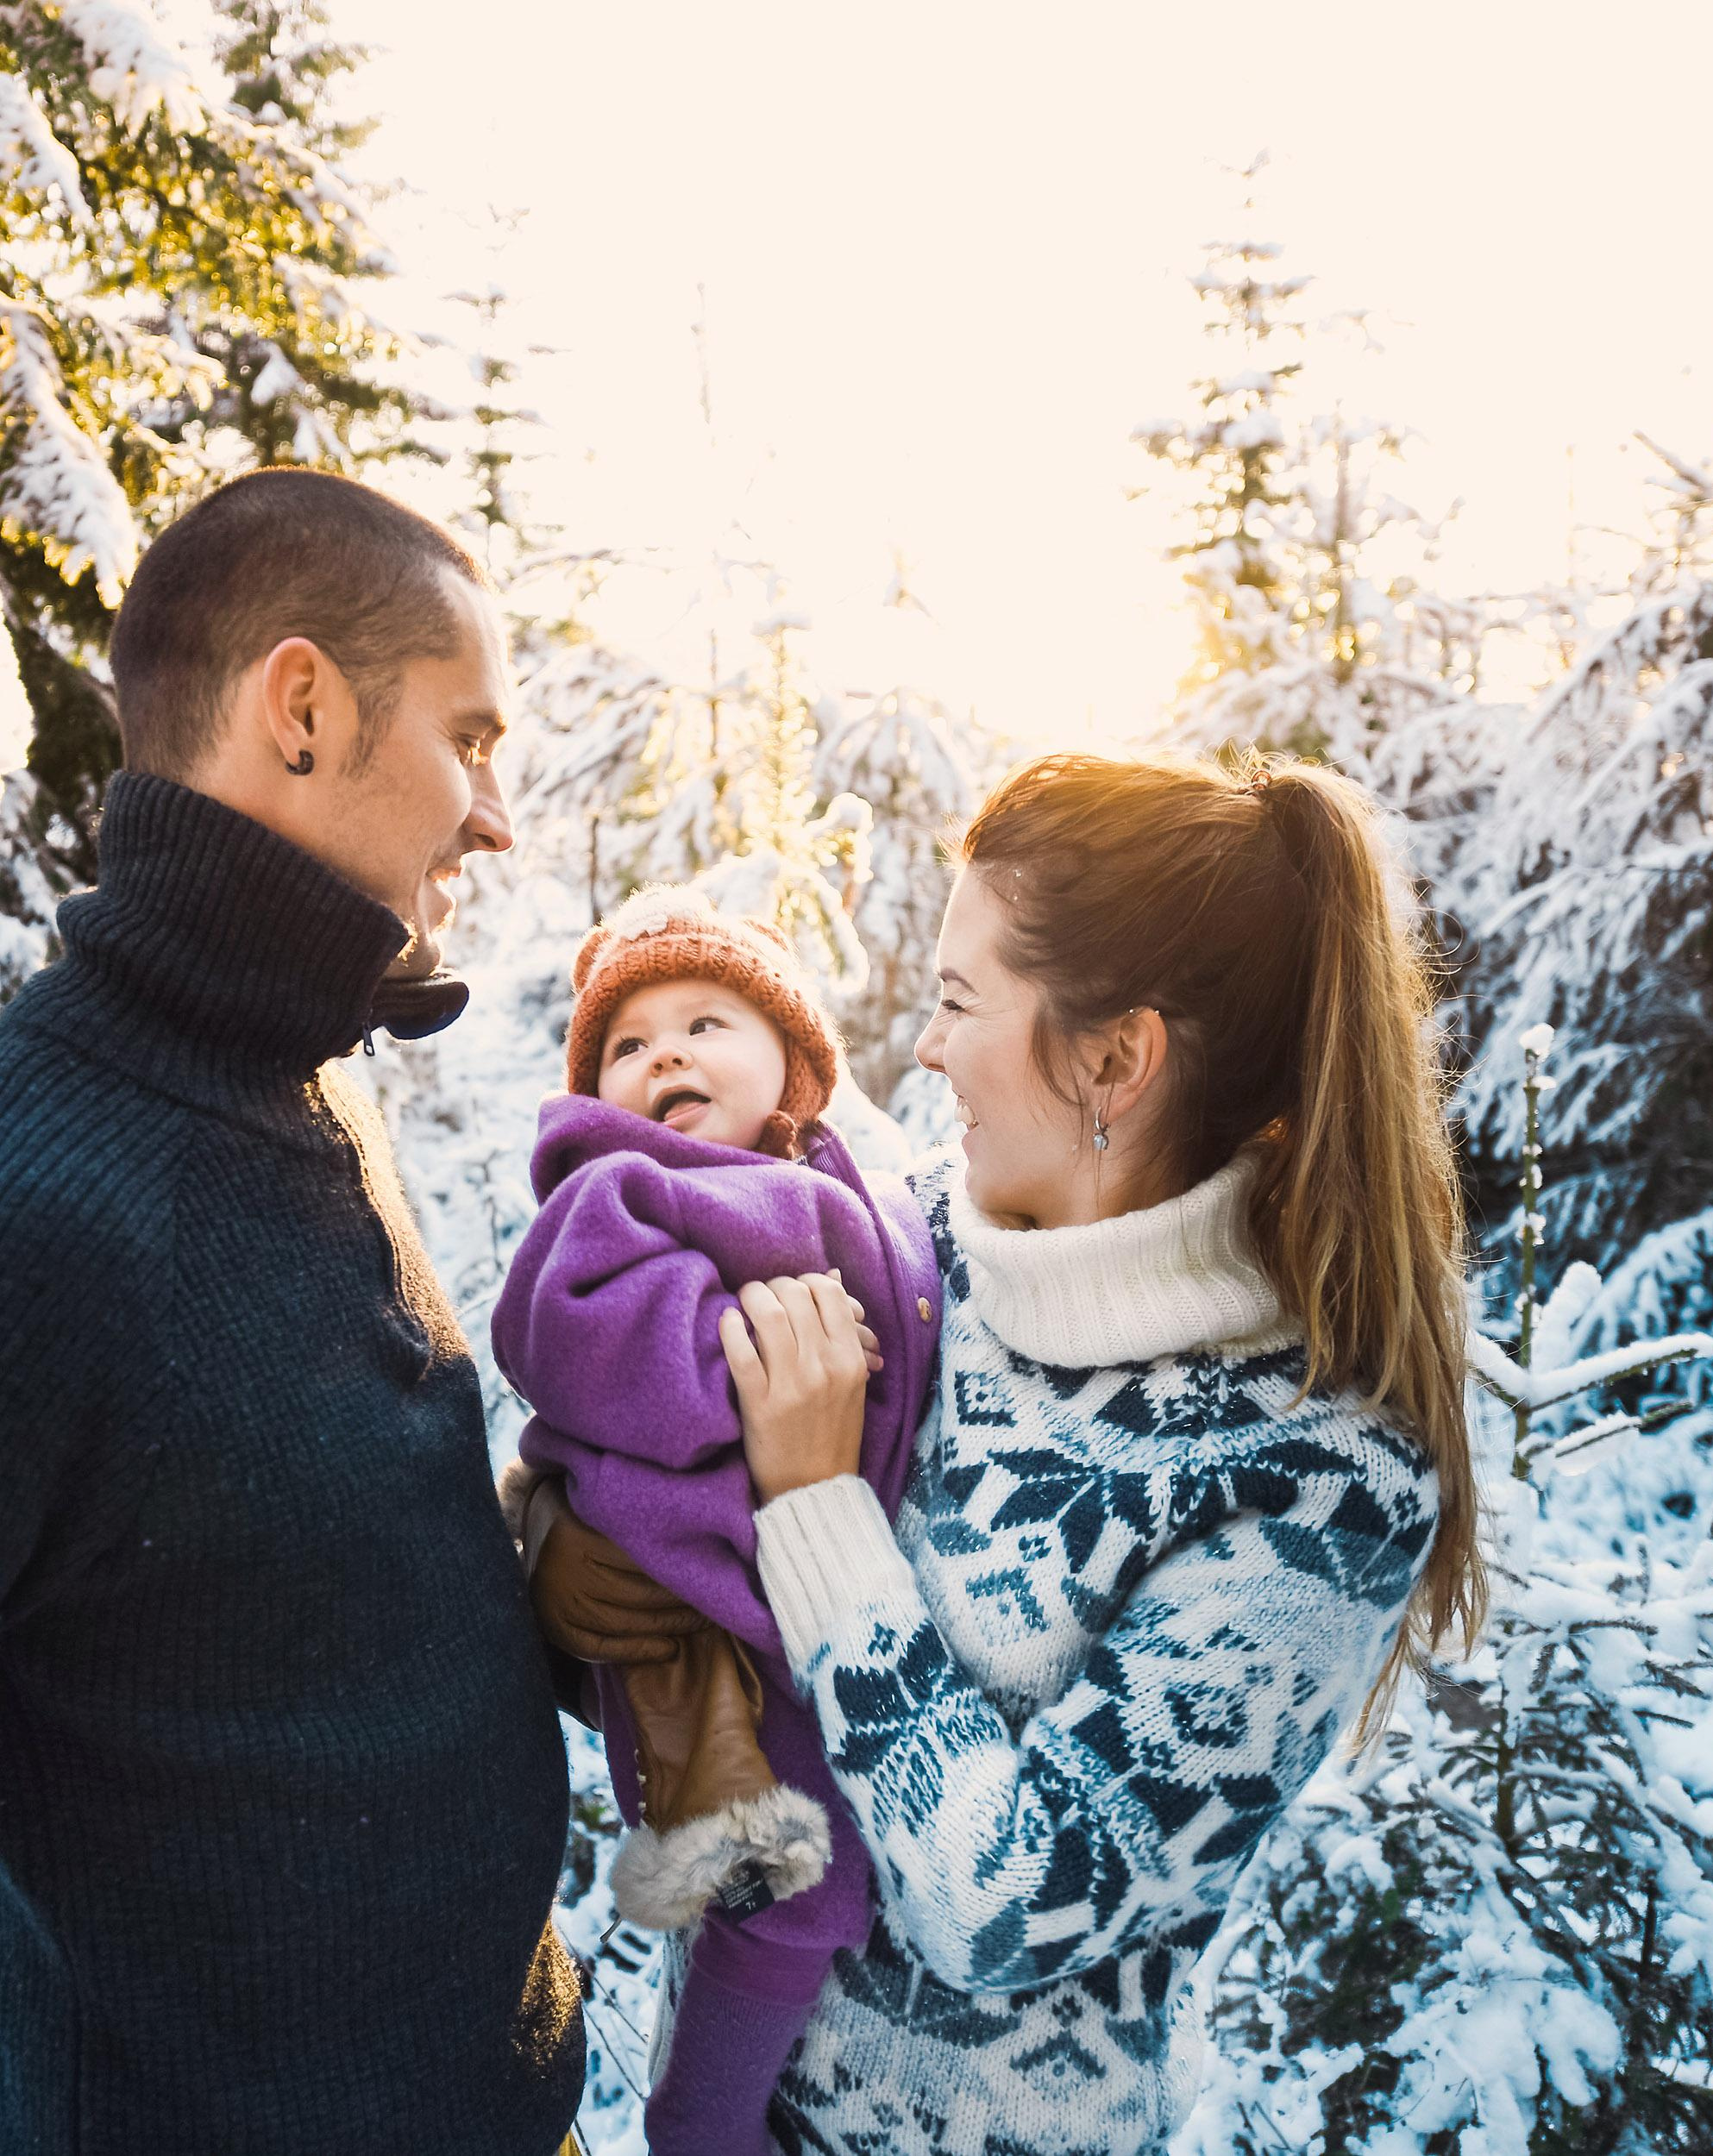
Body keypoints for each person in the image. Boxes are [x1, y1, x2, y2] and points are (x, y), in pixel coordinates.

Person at [538, 749, 1486, 2156]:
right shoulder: (903, 1248)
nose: (921, 1050)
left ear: (1115, 1057)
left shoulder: (1321, 1469)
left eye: (959, 1000)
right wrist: (567, 1554)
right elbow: (683, 1525)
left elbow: (1010, 1901)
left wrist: (816, 1515)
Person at [0, 469, 585, 2156]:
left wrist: (541, 1575)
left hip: (494, 2095)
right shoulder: (40, 1198)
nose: (495, 814)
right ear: (305, 709)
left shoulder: (306, 1068)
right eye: (469, 739)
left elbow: (238, 1579)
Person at [491, 887, 940, 2156]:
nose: (666, 1055)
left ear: (795, 1066)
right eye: (628, 1045)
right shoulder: (620, 1189)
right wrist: (746, 1364)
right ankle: (698, 2129)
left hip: (806, 1595)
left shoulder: (840, 1176)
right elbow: (561, 1323)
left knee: (810, 1878)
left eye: (705, 1022)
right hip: (701, 1616)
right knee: (792, 1904)